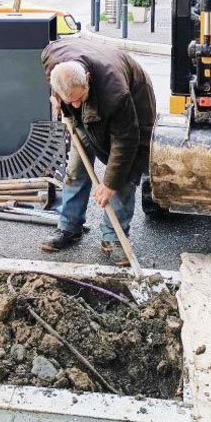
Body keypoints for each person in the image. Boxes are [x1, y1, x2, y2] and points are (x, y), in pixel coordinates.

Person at [40, 37, 156, 266]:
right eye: (69, 101)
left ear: (88, 81)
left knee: (123, 176)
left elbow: (125, 141)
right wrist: (56, 99)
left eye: (78, 99)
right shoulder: (51, 58)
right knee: (76, 168)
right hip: (86, 97)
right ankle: (69, 227)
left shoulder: (115, 93)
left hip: (134, 108)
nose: (73, 105)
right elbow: (66, 93)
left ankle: (113, 238)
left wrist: (109, 183)